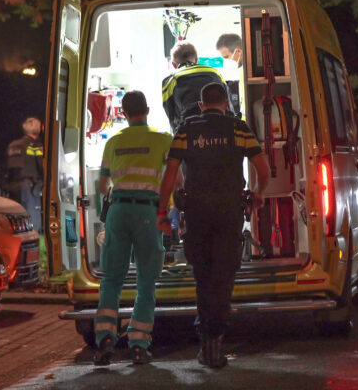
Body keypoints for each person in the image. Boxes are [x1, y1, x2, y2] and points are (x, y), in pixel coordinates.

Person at [156, 82, 270, 368]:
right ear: (226, 104)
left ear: (202, 104)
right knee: (223, 278)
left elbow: (170, 174)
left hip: (197, 214)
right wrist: (257, 193)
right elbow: (263, 169)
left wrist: (162, 210)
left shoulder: (186, 130)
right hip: (229, 213)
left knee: (203, 278)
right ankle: (214, 343)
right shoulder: (239, 129)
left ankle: (206, 342)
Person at [92, 90, 173, 366]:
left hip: (118, 211)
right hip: (148, 212)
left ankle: (104, 339)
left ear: (123, 114)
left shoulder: (113, 143)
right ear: (147, 110)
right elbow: (176, 181)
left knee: (111, 279)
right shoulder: (163, 140)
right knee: (146, 281)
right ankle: (138, 345)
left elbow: (102, 186)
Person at [162, 41, 228, 133]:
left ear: (173, 64)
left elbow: (171, 115)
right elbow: (228, 105)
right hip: (220, 129)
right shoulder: (215, 73)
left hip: (189, 132)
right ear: (196, 60)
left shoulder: (171, 79)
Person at [6, 116, 44, 234]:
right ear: (38, 130)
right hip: (29, 188)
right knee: (32, 220)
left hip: (12, 187)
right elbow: (42, 165)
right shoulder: (35, 145)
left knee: (17, 219)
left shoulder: (13, 145)